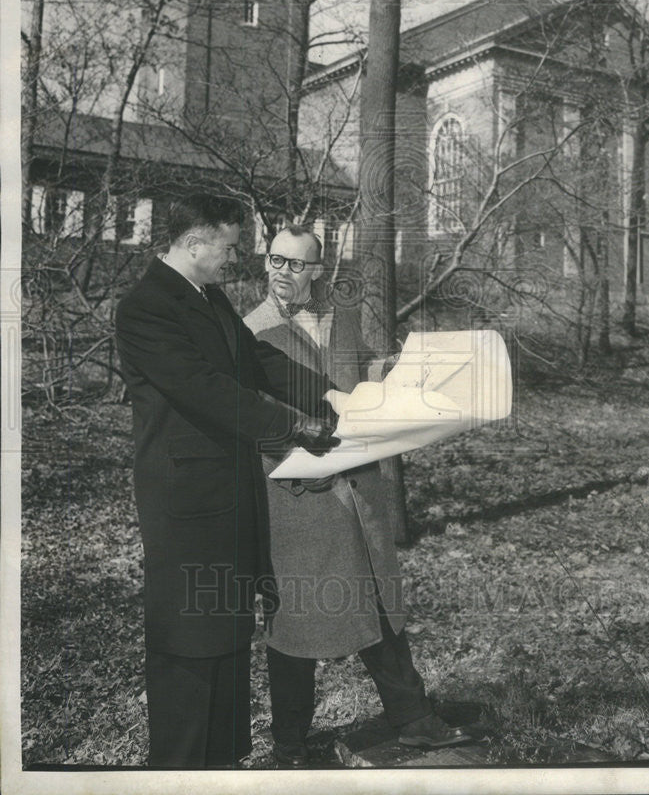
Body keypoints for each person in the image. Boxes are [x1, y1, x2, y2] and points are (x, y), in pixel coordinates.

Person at [115, 195, 339, 769]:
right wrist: (294, 424)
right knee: (190, 642)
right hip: (186, 503)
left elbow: (256, 360)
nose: (236, 258)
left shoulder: (207, 297)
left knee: (227, 636)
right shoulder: (145, 308)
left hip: (230, 494)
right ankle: (180, 768)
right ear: (194, 243)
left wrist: (336, 394)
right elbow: (205, 390)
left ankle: (221, 765)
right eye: (230, 246)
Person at [243, 225, 471, 767]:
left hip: (358, 492)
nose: (283, 271)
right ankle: (290, 746)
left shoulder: (338, 319)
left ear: (318, 271)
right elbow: (248, 412)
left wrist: (396, 374)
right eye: (276, 259)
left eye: (297, 264)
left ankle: (414, 720)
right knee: (295, 625)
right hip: (296, 495)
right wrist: (297, 447)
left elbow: (363, 373)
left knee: (379, 608)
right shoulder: (248, 331)